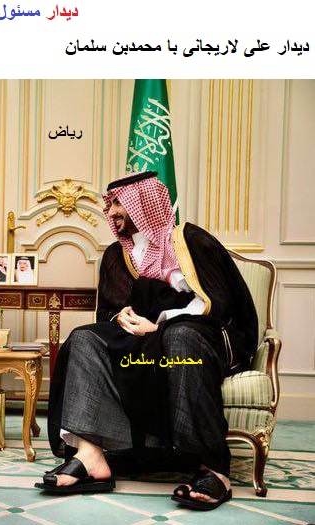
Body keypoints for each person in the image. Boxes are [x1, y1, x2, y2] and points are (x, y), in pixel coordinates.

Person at [36, 171, 258, 512]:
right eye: (109, 204)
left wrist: (162, 323)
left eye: (118, 203)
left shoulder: (190, 241)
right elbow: (108, 310)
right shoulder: (117, 254)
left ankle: (213, 468)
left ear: (143, 202)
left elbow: (219, 302)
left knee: (180, 337)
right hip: (139, 339)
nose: (110, 212)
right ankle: (91, 455)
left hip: (198, 333)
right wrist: (119, 317)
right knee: (84, 339)